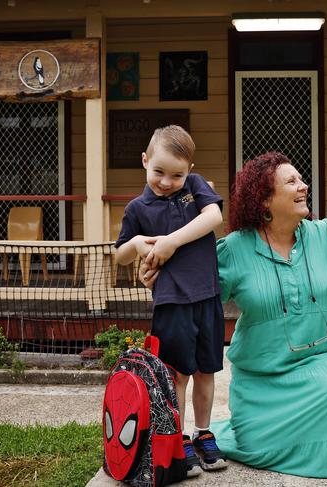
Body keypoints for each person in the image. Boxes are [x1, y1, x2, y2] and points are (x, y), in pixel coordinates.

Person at [139, 151, 327, 478]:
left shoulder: (326, 236)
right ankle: (259, 436)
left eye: (301, 179)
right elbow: (196, 285)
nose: (303, 186)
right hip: (260, 380)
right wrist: (159, 276)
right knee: (257, 442)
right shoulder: (235, 248)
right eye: (291, 182)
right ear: (264, 200)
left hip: (319, 364)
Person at [114, 125, 227, 476]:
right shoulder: (137, 209)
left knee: (207, 371)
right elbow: (119, 254)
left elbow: (214, 218)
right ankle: (175, 441)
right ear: (145, 161)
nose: (166, 181)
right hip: (171, 303)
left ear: (189, 171)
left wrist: (170, 242)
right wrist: (136, 246)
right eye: (159, 171)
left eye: (176, 174)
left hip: (207, 296)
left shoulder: (195, 188)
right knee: (176, 376)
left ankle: (203, 434)